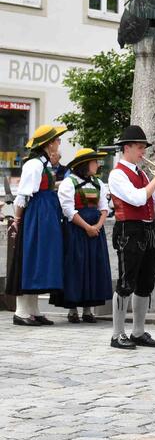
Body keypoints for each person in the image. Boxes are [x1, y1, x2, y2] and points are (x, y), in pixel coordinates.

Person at [107, 126, 155, 349]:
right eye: (139, 147)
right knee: (126, 282)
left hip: (148, 229)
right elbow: (135, 199)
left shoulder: (142, 173)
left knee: (146, 283)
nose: (143, 151)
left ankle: (138, 331)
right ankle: (117, 334)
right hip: (129, 230)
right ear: (127, 148)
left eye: (144, 147)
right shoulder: (117, 174)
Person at [7, 123, 69, 325]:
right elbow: (24, 195)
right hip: (36, 215)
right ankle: (22, 311)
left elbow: (45, 186)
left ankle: (32, 309)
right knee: (31, 258)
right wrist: (17, 220)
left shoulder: (44, 164)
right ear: (49, 144)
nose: (59, 143)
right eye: (57, 140)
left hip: (45, 214)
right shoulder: (33, 165)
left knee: (40, 259)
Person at [54, 147, 113, 323]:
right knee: (75, 266)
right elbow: (68, 211)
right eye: (95, 161)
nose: (98, 165)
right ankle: (73, 309)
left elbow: (104, 208)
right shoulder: (68, 183)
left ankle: (88, 309)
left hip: (95, 231)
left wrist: (97, 226)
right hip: (75, 231)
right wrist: (87, 227)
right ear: (85, 164)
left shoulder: (98, 183)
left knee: (93, 266)